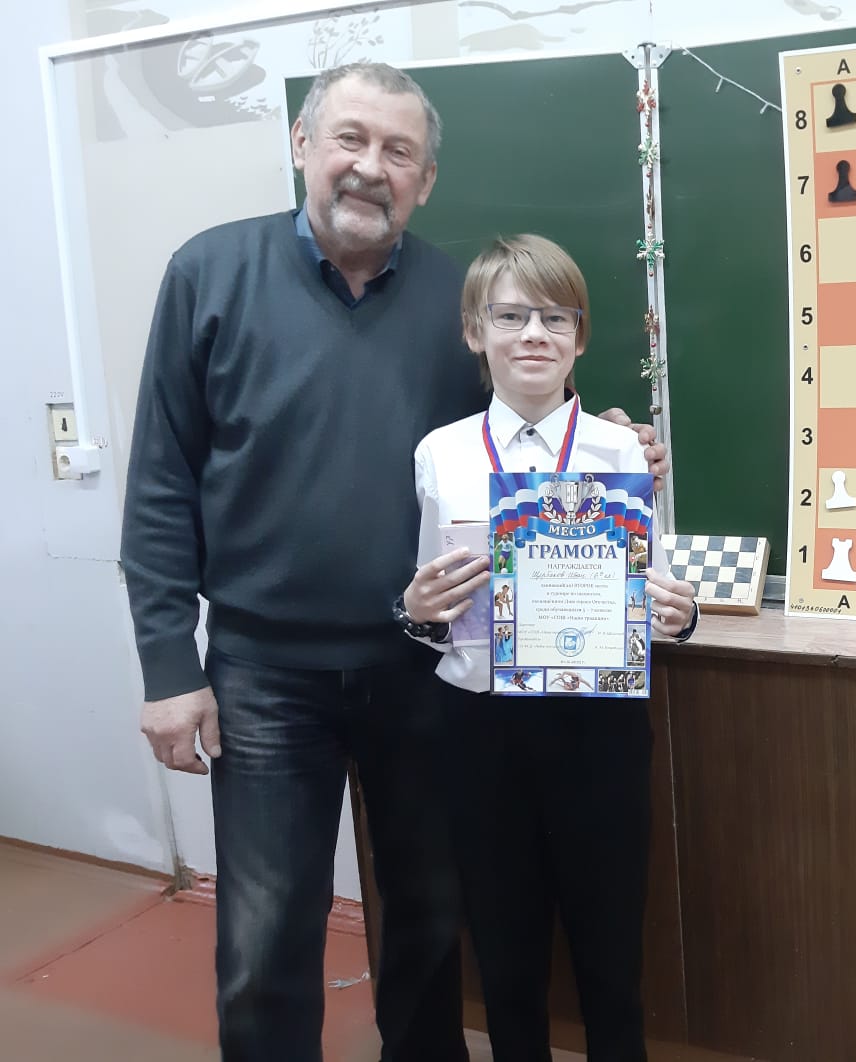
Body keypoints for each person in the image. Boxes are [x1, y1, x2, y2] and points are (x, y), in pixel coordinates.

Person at [119, 63, 665, 1062]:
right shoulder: (209, 273)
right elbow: (159, 481)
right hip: (262, 674)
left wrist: (604, 449)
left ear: (427, 178)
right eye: (351, 139)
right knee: (264, 936)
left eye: (398, 151)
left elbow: (513, 436)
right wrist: (168, 665)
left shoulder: (461, 303)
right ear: (301, 145)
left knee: (427, 920)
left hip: (422, 669)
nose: (371, 167)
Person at [398, 234, 698, 1061]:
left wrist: (678, 616)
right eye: (510, 316)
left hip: (597, 726)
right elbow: (429, 601)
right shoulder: (441, 452)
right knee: (504, 950)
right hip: (481, 729)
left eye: (555, 317)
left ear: (579, 337)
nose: (534, 333)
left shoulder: (624, 450)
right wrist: (416, 612)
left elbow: (656, 594)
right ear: (474, 331)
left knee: (612, 952)